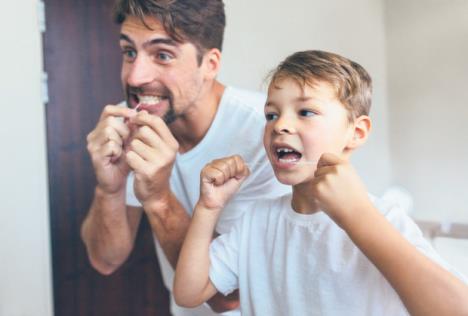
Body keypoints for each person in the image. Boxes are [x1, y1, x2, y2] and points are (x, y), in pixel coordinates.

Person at [173, 50, 468, 315]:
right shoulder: (256, 220)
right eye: (271, 115)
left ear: (357, 132)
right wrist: (208, 208)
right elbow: (189, 293)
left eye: (306, 112)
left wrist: (359, 218)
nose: (280, 125)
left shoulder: (384, 218)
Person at [81, 0, 289, 315]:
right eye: (129, 52)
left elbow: (229, 297)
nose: (136, 77)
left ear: (210, 64)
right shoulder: (130, 125)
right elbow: (105, 260)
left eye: (162, 55)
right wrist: (108, 188)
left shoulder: (267, 134)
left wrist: (159, 198)